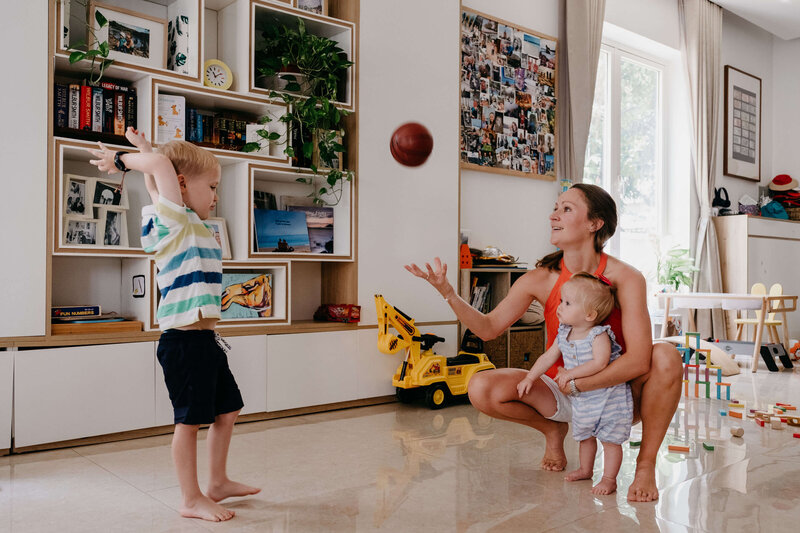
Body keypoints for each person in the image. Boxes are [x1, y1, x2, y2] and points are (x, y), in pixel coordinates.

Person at [405, 183, 682, 502]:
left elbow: (638, 361)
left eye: (566, 209)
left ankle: (645, 466)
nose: (554, 215)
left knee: (666, 355)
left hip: (614, 394)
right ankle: (553, 429)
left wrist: (581, 384)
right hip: (562, 392)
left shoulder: (626, 277)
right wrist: (448, 293)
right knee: (481, 387)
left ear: (595, 224)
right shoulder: (538, 279)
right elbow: (488, 328)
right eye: (555, 207)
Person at [87, 127, 260, 522]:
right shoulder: (173, 220)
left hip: (205, 340)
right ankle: (190, 497)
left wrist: (148, 152)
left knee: (227, 410)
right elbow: (162, 173)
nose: (216, 196)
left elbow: (157, 181)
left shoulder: (181, 219)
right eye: (212, 186)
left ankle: (217, 482)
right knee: (189, 421)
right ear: (182, 185)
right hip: (183, 343)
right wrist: (124, 159)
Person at [517, 272, 631, 495]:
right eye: (561, 301)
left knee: (610, 441)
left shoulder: (598, 335)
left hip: (609, 398)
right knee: (585, 436)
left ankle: (609, 479)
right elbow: (548, 357)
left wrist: (570, 374)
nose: (560, 307)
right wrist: (530, 377)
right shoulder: (564, 333)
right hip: (584, 400)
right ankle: (585, 470)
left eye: (567, 303)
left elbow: (600, 363)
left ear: (590, 314)